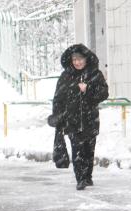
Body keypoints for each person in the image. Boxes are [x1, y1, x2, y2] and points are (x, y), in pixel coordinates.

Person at [52, 44, 109, 190]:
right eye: (74, 59)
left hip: (90, 120)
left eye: (80, 59)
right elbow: (58, 99)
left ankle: (88, 176)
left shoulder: (95, 74)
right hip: (72, 120)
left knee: (88, 151)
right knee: (77, 150)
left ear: (86, 59)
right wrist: (57, 117)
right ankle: (80, 178)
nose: (77, 62)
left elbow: (104, 93)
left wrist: (88, 89)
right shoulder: (66, 76)